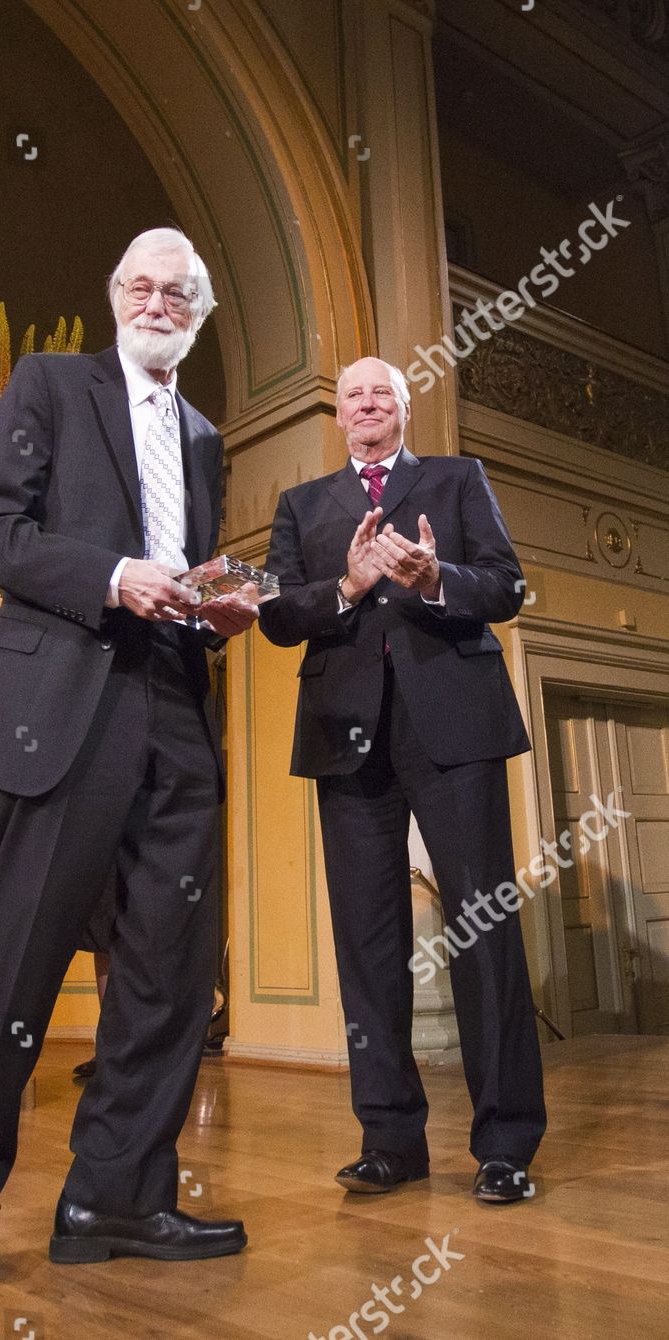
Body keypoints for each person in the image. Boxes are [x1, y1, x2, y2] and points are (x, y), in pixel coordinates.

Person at [0, 228, 257, 1289]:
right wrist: (114, 575)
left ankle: (116, 1198)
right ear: (115, 295)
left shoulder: (204, 436)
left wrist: (212, 605)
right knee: (17, 969)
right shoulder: (50, 385)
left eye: (178, 293)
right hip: (68, 704)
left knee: (169, 973)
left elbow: (179, 575)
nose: (157, 302)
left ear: (197, 317)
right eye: (140, 285)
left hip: (176, 709)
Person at [258, 356, 546, 1204]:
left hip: (452, 724)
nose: (367, 403)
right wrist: (347, 585)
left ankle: (505, 1144)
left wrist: (437, 579)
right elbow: (276, 616)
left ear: (404, 407)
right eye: (352, 394)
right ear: (338, 415)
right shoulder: (302, 507)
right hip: (346, 736)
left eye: (381, 391)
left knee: (484, 924)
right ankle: (389, 1139)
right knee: (367, 939)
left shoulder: (457, 481)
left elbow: (507, 585)